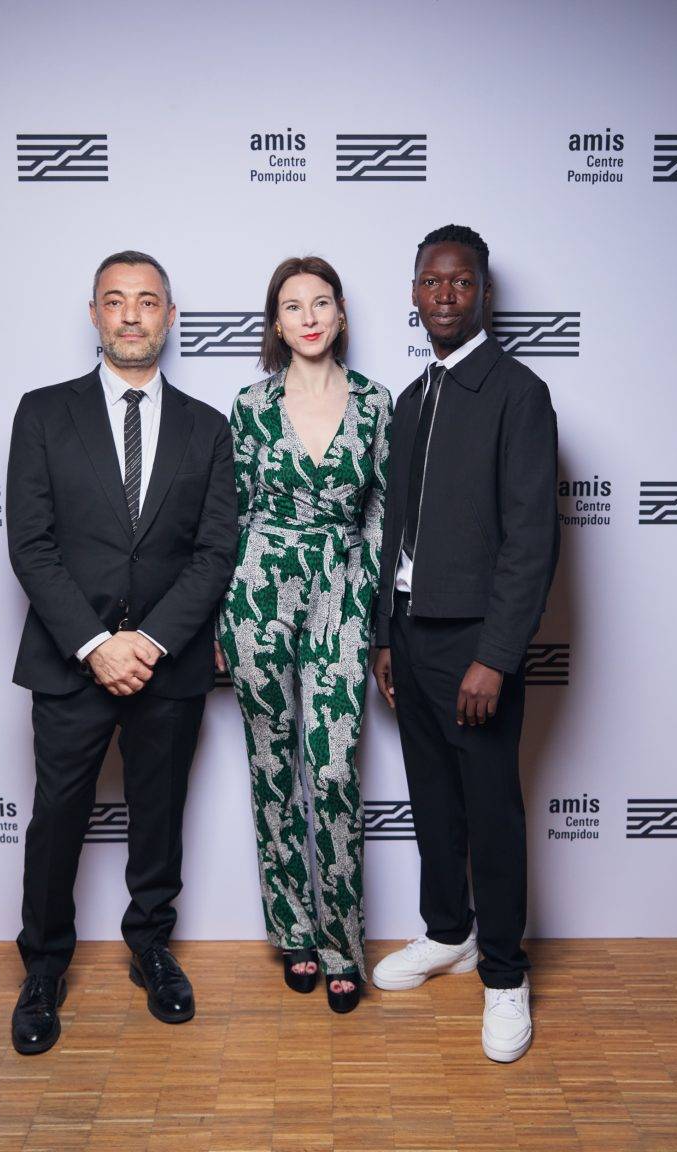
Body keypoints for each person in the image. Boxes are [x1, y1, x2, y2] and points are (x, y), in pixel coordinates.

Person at [6, 250, 237, 1054]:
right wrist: (97, 644)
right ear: (95, 315)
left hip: (168, 664)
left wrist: (152, 640)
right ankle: (42, 969)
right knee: (57, 819)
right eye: (115, 301)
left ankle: (151, 946)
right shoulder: (42, 412)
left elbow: (216, 552)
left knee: (159, 816)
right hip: (71, 663)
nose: (132, 316)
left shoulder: (210, 428)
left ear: (170, 317)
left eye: (148, 301)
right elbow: (31, 546)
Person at [371, 225, 558, 1062]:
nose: (444, 294)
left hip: (476, 646)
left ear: (483, 292)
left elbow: (530, 540)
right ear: (414, 293)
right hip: (409, 638)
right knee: (433, 805)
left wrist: (497, 653)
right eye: (429, 281)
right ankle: (447, 932)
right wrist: (384, 635)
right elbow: (393, 535)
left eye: (460, 281)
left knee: (490, 811)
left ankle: (506, 976)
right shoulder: (412, 401)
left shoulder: (518, 392)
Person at [217, 256, 391, 1013]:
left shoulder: (379, 404)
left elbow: (383, 515)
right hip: (258, 587)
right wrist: (225, 612)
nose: (310, 316)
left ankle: (341, 941)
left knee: (333, 770)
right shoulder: (250, 404)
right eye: (294, 306)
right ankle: (290, 928)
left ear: (341, 313)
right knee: (271, 761)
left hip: (343, 589)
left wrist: (374, 609)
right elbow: (229, 513)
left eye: (322, 302)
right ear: (277, 323)